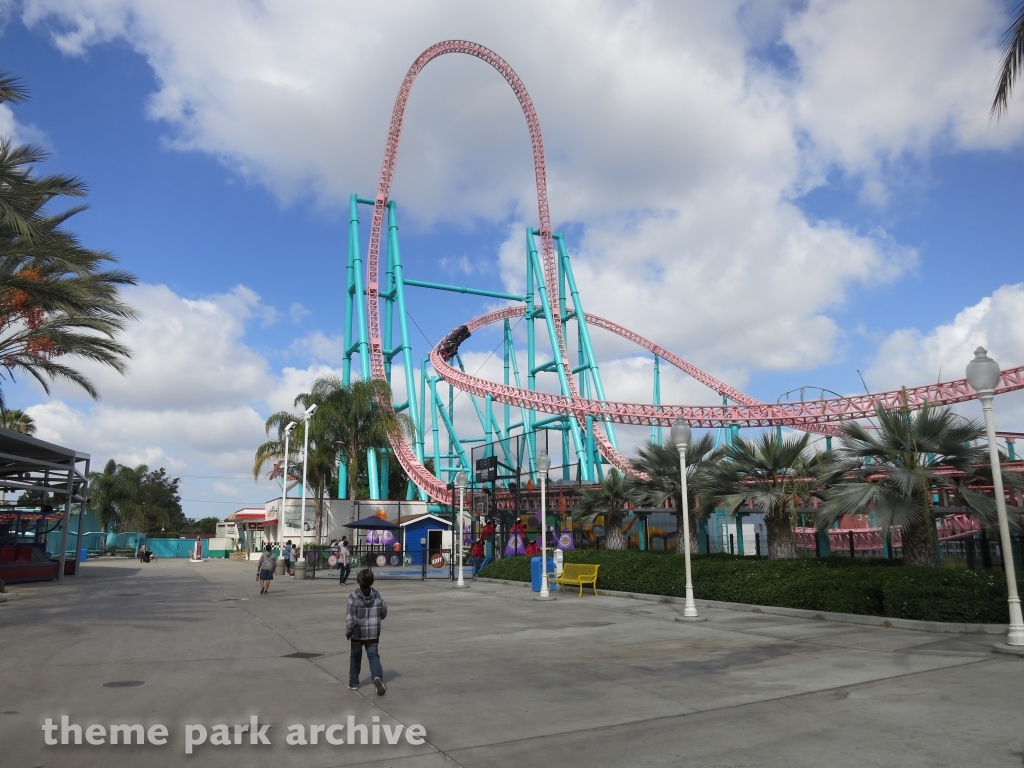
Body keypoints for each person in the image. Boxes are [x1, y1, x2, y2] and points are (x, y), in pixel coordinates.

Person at [345, 569, 388, 695]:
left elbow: (350, 614)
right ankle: (377, 677)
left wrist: (349, 628)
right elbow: (383, 612)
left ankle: (353, 683)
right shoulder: (376, 595)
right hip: (373, 634)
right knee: (373, 656)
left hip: (357, 633)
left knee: (355, 657)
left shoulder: (354, 595)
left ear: (358, 581)